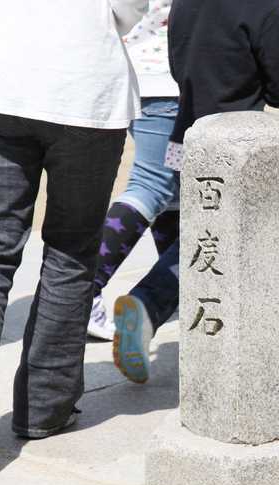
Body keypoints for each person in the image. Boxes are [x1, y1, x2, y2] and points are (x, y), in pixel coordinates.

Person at [0, 0, 149, 475]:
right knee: (71, 250)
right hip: (86, 89)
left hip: (0, 79)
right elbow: (128, 9)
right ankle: (45, 406)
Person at [112, 0, 279, 384]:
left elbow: (176, 66)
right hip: (237, 140)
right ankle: (148, 303)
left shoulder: (184, 3)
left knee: (191, 231)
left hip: (185, 134)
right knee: (219, 240)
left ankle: (157, 310)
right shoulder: (262, 7)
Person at [87, 0, 180, 341]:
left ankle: (171, 290)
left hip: (132, 70)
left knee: (175, 190)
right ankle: (84, 289)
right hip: (166, 79)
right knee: (152, 185)